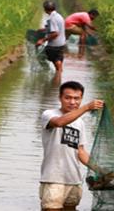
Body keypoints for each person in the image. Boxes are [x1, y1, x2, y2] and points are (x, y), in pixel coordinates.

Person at [39, 81, 104, 210]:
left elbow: (80, 152)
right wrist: (85, 108)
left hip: (74, 180)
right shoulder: (49, 114)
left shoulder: (80, 123)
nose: (72, 102)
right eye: (68, 98)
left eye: (77, 98)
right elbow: (59, 122)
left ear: (81, 99)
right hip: (53, 179)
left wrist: (100, 170)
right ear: (60, 98)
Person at [36, 1, 66, 73]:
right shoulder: (59, 16)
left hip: (54, 45)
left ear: (45, 9)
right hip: (61, 43)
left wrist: (42, 40)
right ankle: (59, 73)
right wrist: (44, 29)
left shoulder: (52, 18)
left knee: (40, 57)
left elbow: (55, 33)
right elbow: (57, 28)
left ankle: (47, 72)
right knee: (58, 59)